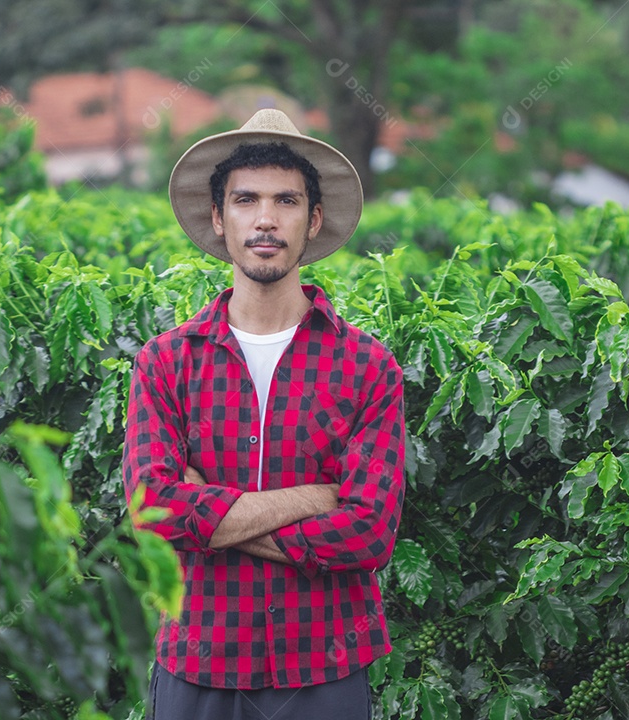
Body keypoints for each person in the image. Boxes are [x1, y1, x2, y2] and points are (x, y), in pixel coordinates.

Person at [122, 108, 405, 720]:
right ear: (220, 219)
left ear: (314, 219)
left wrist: (213, 518)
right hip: (199, 663)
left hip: (323, 668)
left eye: (287, 200)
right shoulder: (166, 362)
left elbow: (370, 533)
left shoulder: (367, 367)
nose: (267, 219)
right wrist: (315, 497)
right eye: (246, 200)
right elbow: (155, 511)